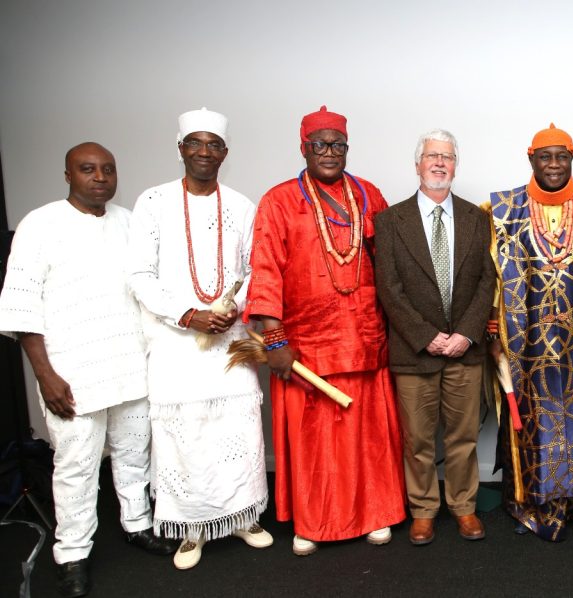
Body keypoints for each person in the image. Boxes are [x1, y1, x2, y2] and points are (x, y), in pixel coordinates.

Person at [0, 142, 178, 597]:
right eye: (87, 169)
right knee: (76, 466)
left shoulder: (129, 223)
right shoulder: (40, 224)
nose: (100, 177)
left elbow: (149, 291)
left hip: (131, 365)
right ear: (68, 175)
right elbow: (22, 306)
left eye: (108, 169)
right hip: (73, 374)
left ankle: (137, 524)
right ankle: (72, 553)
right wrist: (45, 376)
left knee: (134, 454)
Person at [244, 106, 406, 556]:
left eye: (338, 145)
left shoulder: (369, 194)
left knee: (368, 436)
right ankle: (313, 522)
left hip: (364, 337)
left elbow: (392, 264)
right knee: (314, 440)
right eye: (320, 144)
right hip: (306, 346)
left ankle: (375, 514)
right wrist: (275, 340)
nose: (329, 152)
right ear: (304, 148)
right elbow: (265, 269)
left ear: (347, 148)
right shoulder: (278, 201)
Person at [127, 108, 272, 570]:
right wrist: (189, 315)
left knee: (238, 431)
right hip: (175, 344)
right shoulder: (153, 202)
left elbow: (255, 268)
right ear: (181, 149)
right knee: (185, 437)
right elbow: (139, 275)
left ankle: (244, 517)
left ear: (225, 153)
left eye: (213, 145)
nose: (204, 152)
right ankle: (192, 528)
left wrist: (231, 307)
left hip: (229, 338)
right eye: (195, 143)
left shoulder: (242, 206)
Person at [487, 123, 573, 541]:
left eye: (561, 156)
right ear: (531, 158)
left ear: (572, 157)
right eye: (545, 157)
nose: (553, 164)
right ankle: (535, 505)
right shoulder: (502, 209)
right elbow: (492, 280)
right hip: (524, 339)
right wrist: (493, 333)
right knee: (534, 420)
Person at [375, 129, 495, 545]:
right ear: (418, 165)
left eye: (447, 157)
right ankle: (423, 510)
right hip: (415, 352)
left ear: (455, 166)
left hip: (465, 350)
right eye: (432, 156)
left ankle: (463, 507)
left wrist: (466, 333)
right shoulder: (390, 221)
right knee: (418, 440)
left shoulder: (478, 218)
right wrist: (426, 336)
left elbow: (487, 281)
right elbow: (389, 288)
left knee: (463, 438)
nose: (440, 163)